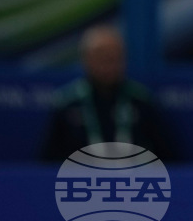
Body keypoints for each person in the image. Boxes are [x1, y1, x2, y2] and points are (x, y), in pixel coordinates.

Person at [42, 25, 174, 161]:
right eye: (101, 57)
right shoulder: (67, 103)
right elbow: (48, 164)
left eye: (113, 58)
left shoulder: (141, 101)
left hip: (132, 180)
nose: (108, 65)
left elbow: (168, 161)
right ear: (86, 59)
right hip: (81, 180)